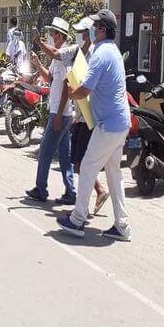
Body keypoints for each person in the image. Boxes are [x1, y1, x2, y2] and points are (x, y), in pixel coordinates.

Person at [57, 9, 132, 241]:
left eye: (95, 26)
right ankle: (122, 226)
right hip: (120, 123)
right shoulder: (113, 52)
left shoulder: (100, 54)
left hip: (109, 126)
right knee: (113, 173)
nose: (91, 30)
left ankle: (77, 219)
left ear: (101, 30)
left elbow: (85, 89)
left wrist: (71, 93)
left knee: (88, 167)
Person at [25, 17, 78, 204]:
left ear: (60, 35)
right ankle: (70, 192)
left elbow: (66, 86)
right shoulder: (58, 58)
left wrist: (59, 114)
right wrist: (38, 65)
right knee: (64, 155)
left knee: (46, 151)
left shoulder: (63, 54)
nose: (51, 36)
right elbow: (51, 79)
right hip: (61, 112)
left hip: (60, 112)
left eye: (53, 33)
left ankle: (41, 189)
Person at [68, 16, 110, 215]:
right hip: (82, 113)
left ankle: (83, 208)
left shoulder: (94, 54)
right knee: (79, 163)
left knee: (82, 163)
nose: (80, 36)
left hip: (89, 116)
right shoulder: (82, 53)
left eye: (82, 33)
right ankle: (95, 194)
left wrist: (73, 93)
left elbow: (86, 87)